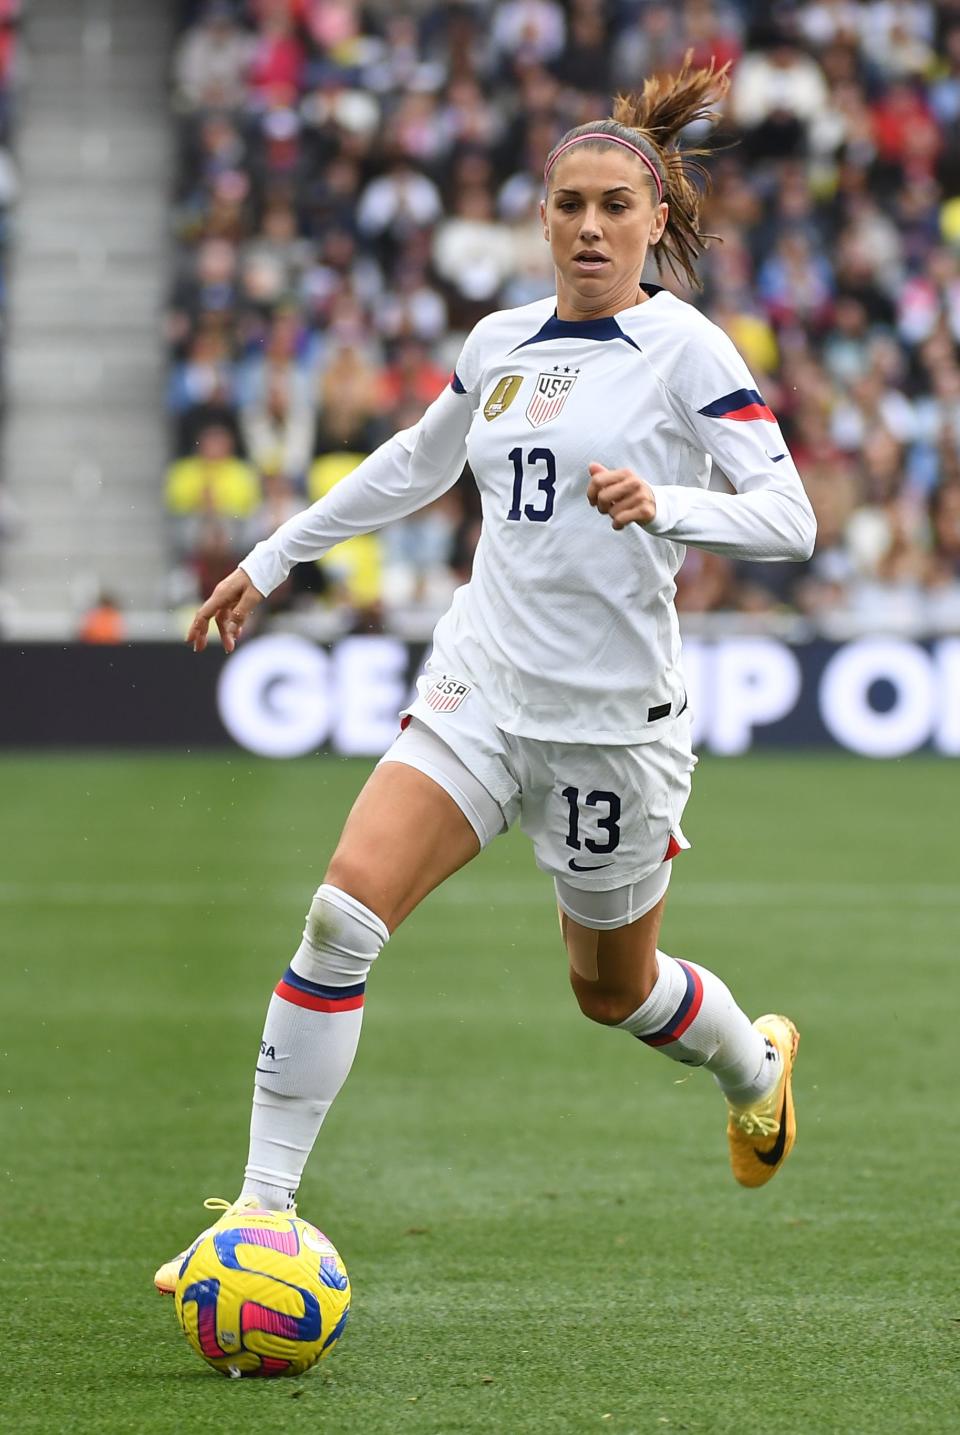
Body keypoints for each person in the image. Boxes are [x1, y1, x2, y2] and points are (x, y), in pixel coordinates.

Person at [154, 58, 816, 1293]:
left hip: (613, 728)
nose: (589, 227)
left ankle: (755, 1069)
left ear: (655, 217)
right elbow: (415, 460)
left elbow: (791, 518)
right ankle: (258, 1214)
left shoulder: (683, 347)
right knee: (342, 916)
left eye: (616, 205)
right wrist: (273, 556)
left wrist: (665, 503)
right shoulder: (501, 342)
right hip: (482, 689)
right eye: (569, 204)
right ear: (541, 216)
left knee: (610, 992)